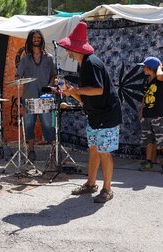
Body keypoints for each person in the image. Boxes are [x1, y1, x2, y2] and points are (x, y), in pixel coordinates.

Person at [58, 22, 122, 203]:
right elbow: (86, 96)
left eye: (69, 48)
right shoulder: (83, 64)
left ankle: (107, 189)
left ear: (75, 49)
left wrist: (76, 90)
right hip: (95, 115)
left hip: (107, 115)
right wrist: (71, 92)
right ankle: (91, 184)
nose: (68, 52)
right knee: (94, 150)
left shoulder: (91, 63)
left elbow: (98, 90)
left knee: (104, 152)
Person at [16, 29, 56, 161]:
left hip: (45, 97)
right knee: (29, 124)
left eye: (39, 37)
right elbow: (18, 75)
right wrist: (18, 77)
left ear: (42, 40)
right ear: (30, 40)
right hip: (30, 96)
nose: (37, 39)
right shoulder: (25, 59)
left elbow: (53, 75)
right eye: (34, 37)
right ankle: (31, 150)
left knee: (48, 124)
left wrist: (49, 86)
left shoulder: (49, 58)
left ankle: (53, 152)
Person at [137, 56, 163, 174]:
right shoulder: (147, 81)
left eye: (144, 67)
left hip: (158, 115)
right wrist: (141, 111)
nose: (143, 69)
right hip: (147, 115)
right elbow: (144, 97)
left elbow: (160, 75)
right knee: (148, 140)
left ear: (150, 68)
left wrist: (159, 67)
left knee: (162, 139)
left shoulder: (161, 79)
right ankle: (148, 162)